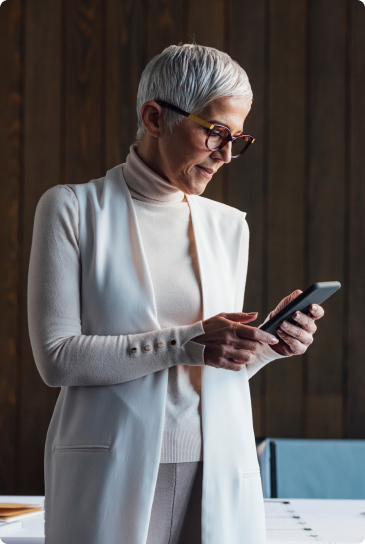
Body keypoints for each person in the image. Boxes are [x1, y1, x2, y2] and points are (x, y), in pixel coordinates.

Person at [28, 44, 324, 544]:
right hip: (107, 467)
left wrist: (266, 347)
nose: (227, 154)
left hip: (217, 466)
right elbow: (58, 360)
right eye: (216, 133)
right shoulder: (71, 209)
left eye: (238, 139)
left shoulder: (229, 227)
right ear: (153, 117)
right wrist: (186, 342)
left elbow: (210, 365)